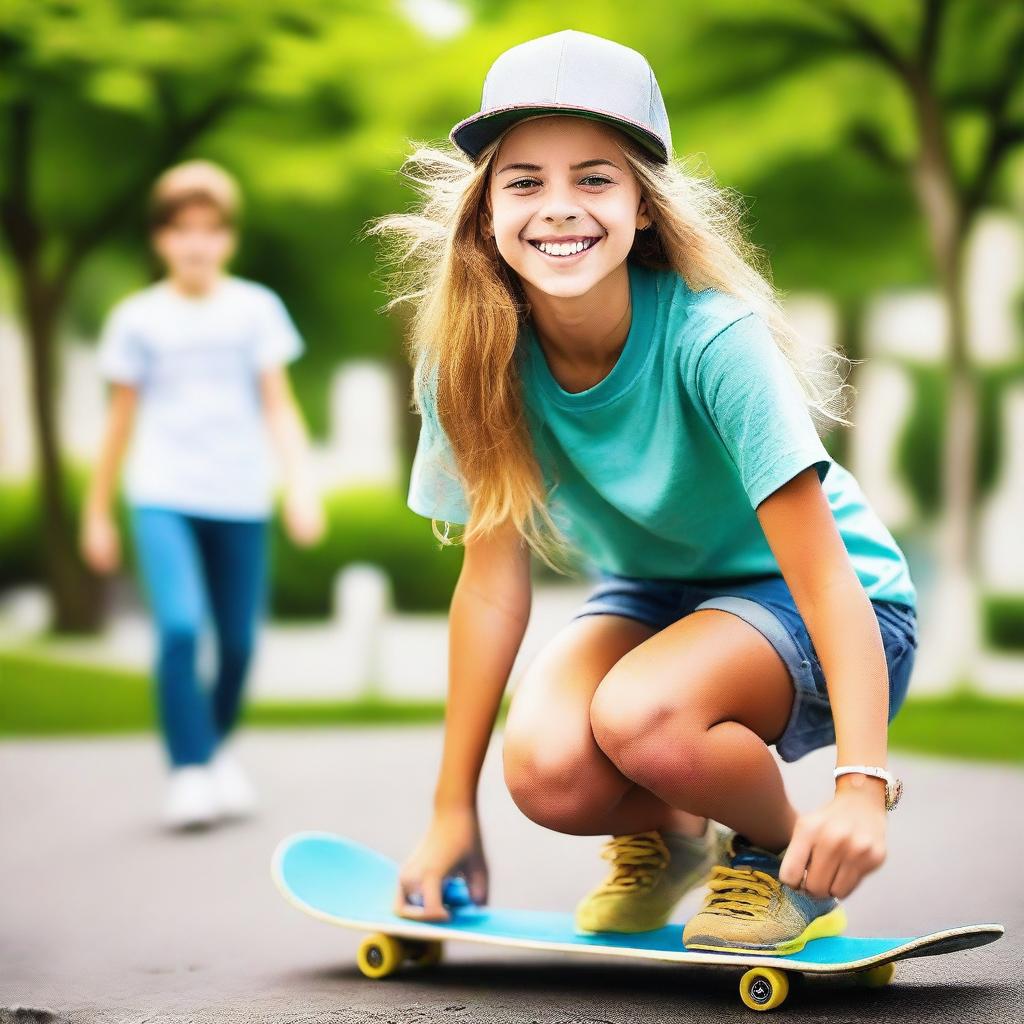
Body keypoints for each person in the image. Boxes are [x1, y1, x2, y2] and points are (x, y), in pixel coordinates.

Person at [371, 29, 918, 954]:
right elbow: (491, 589)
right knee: (546, 772)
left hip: (838, 608)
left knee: (642, 718)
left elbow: (827, 579)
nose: (559, 208)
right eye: (525, 181)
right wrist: (448, 811)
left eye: (595, 177)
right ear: (486, 212)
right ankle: (670, 836)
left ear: (644, 207)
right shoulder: (469, 359)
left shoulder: (713, 339)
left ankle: (777, 856)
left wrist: (861, 786)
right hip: (658, 604)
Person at [82, 160, 324, 831]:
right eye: (181, 230)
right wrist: (96, 511)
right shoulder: (137, 319)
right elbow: (119, 420)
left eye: (209, 230)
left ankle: (212, 753)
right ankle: (190, 772)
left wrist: (301, 486)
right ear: (160, 238)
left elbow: (279, 406)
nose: (195, 244)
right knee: (182, 629)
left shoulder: (256, 310)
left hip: (241, 497)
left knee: (240, 644)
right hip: (162, 494)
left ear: (227, 239)